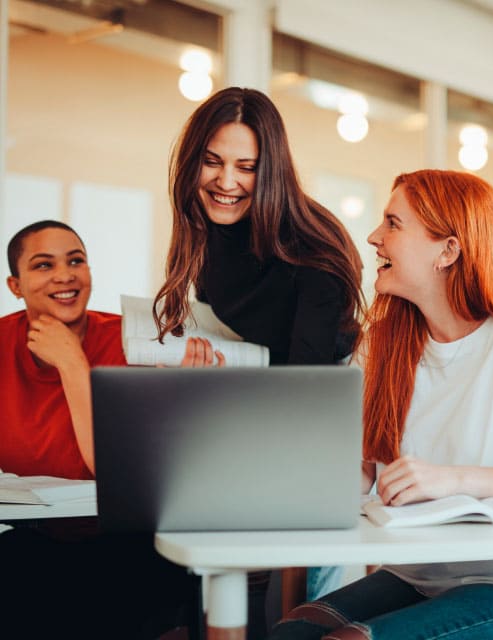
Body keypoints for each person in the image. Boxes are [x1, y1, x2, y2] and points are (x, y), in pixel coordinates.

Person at [270, 170, 493, 640]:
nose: (374, 237)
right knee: (291, 633)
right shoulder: (385, 346)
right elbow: (365, 470)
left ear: (448, 250)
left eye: (393, 223)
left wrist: (453, 480)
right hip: (414, 576)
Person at [152, 86, 366, 631]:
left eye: (246, 167)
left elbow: (308, 391)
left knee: (295, 615)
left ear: (271, 169)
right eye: (212, 161)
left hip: (324, 432)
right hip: (257, 418)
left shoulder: (313, 245)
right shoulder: (207, 232)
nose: (226, 182)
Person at [0, 220, 197, 639]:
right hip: (29, 543)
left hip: (125, 542)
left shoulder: (135, 342)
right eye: (43, 265)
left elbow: (115, 472)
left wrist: (73, 363)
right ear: (15, 286)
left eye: (76, 261)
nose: (65, 275)